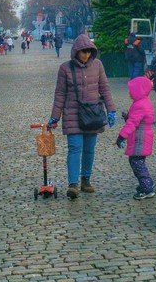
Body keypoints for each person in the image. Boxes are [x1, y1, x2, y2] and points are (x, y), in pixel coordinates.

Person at [48, 34, 115, 200]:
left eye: (88, 51)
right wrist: (55, 117)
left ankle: (86, 179)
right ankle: (73, 184)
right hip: (72, 114)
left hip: (93, 114)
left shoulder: (98, 65)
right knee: (74, 148)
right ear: (76, 51)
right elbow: (60, 94)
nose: (85, 55)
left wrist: (111, 109)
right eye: (82, 52)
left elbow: (105, 88)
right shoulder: (65, 68)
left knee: (89, 150)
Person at [115, 74, 155, 199]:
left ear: (139, 90)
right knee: (139, 162)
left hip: (140, 138)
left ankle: (147, 187)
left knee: (136, 163)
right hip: (142, 138)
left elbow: (132, 123)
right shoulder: (142, 102)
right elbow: (135, 119)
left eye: (131, 90)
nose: (129, 93)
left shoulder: (140, 105)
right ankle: (146, 183)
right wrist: (128, 116)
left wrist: (121, 136)